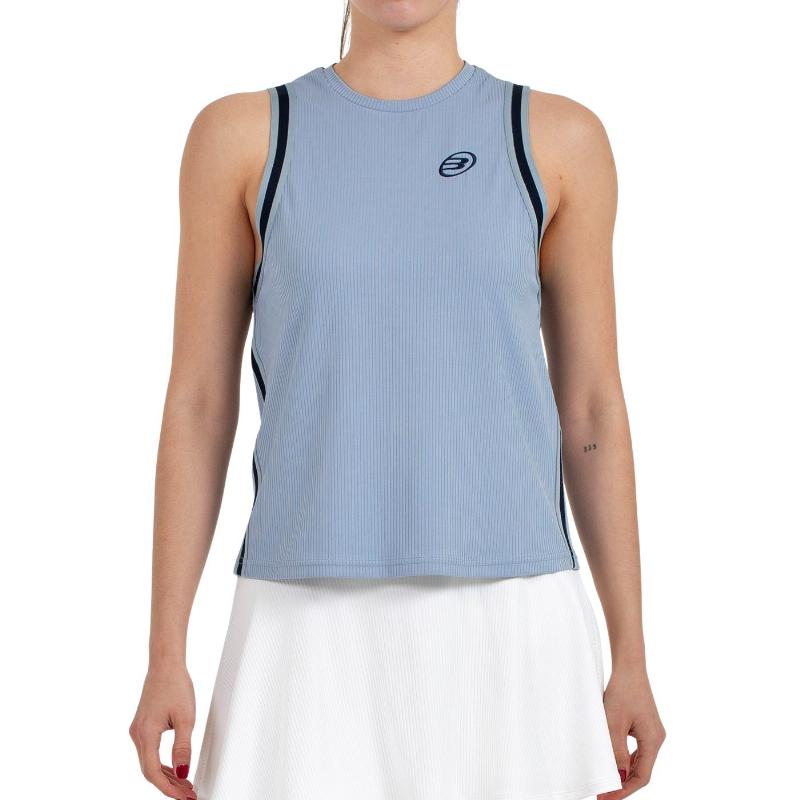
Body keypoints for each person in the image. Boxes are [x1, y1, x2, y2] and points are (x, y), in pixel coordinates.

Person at [128, 1, 666, 798]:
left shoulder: (555, 139)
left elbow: (591, 408)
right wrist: (165, 654)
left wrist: (632, 657)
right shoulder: (244, 137)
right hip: (301, 624)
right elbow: (200, 405)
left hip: (512, 618)